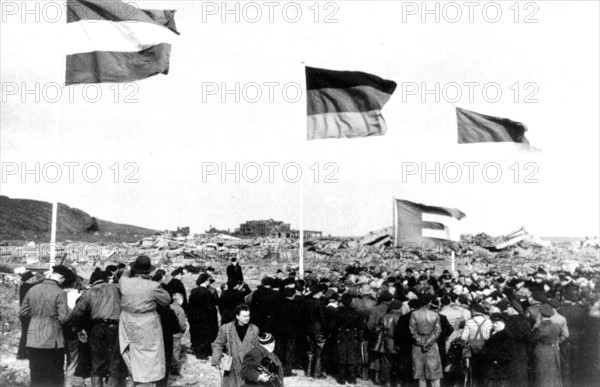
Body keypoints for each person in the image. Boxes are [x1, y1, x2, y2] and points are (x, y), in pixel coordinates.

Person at [118, 255, 171, 386]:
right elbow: (166, 300)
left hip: (128, 319)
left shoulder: (124, 282)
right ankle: (146, 381)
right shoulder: (153, 286)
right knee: (149, 353)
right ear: (148, 271)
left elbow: (124, 274)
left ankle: (133, 377)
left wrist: (128, 269)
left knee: (130, 350)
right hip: (146, 321)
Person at [19, 265, 71, 387]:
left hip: (33, 336)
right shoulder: (60, 292)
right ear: (62, 278)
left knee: (36, 372)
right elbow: (64, 318)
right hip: (52, 338)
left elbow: (23, 312)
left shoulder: (33, 289)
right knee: (54, 374)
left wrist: (36, 319)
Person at [71, 269, 124, 387]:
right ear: (106, 279)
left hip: (97, 328)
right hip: (116, 327)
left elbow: (77, 313)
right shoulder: (117, 289)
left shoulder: (88, 293)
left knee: (96, 364)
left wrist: (80, 328)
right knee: (115, 363)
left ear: (93, 281)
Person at [211, 304, 260, 387]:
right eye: (244, 316)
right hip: (232, 367)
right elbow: (218, 344)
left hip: (248, 365)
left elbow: (257, 347)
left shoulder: (254, 329)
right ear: (237, 316)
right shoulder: (226, 328)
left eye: (248, 316)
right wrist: (216, 359)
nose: (247, 318)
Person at [330, 293, 365, 385]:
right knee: (351, 356)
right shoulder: (356, 312)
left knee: (341, 356)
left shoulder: (337, 312)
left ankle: (341, 378)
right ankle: (351, 377)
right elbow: (361, 326)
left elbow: (333, 325)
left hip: (341, 335)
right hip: (352, 336)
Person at [409, 295, 443, 387]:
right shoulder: (435, 314)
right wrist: (428, 342)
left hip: (418, 345)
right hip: (432, 344)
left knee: (420, 373)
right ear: (429, 303)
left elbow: (412, 331)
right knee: (434, 372)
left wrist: (421, 341)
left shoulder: (414, 314)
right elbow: (437, 331)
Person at [530, 304, 562, 387]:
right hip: (553, 352)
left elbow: (531, 339)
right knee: (553, 375)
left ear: (540, 314)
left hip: (542, 352)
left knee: (542, 376)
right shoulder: (556, 326)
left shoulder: (541, 328)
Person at [189, 273, 219, 359]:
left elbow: (190, 305)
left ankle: (196, 350)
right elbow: (210, 308)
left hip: (195, 317)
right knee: (204, 336)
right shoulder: (207, 293)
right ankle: (202, 354)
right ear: (206, 281)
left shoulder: (193, 291)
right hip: (205, 319)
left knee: (196, 334)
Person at [17, 271, 37, 360]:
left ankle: (21, 353)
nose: (34, 279)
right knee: (28, 333)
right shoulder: (28, 287)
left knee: (25, 333)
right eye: (32, 278)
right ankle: (26, 353)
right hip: (28, 313)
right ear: (29, 279)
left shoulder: (23, 287)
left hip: (23, 313)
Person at [170, 293, 187, 376]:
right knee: (176, 351)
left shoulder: (168, 306)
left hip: (167, 333)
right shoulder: (180, 310)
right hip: (176, 334)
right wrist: (183, 330)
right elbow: (182, 324)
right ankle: (174, 369)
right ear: (179, 300)